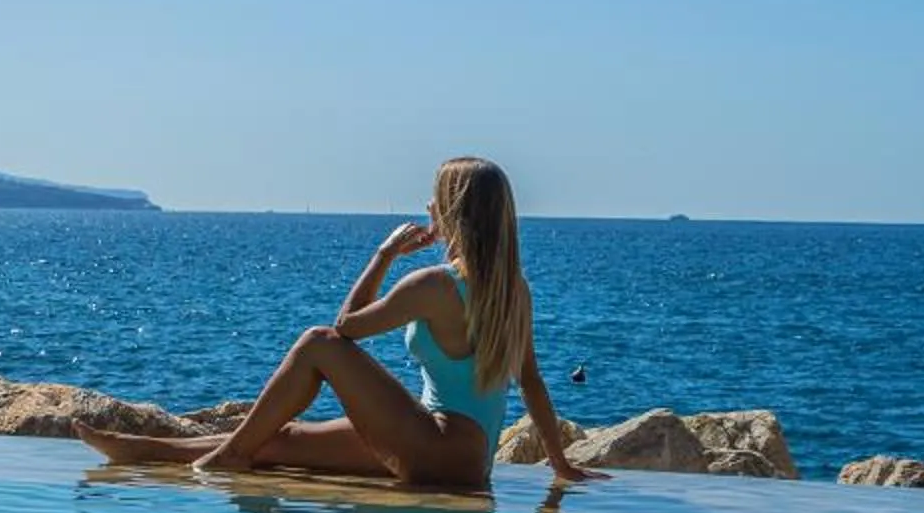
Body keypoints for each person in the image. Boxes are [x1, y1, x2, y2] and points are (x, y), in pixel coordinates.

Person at [77, 156, 602, 488]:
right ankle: (144, 450)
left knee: (316, 342)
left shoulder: (434, 285)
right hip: (466, 459)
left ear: (454, 210)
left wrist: (382, 256)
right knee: (280, 438)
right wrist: (559, 464)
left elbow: (344, 328)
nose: (425, 205)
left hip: (432, 446)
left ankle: (228, 456)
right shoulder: (513, 289)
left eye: (434, 198)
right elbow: (530, 380)